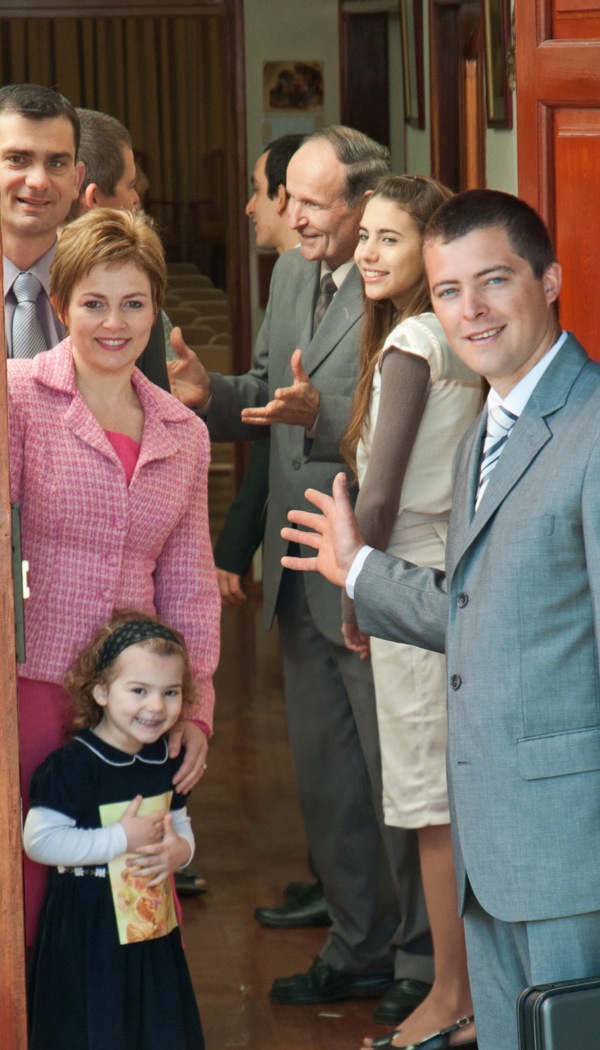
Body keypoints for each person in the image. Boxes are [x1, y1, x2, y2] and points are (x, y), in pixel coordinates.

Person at [280, 188, 600, 1050]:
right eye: (451, 289)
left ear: (549, 280)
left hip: (573, 859)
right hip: (488, 856)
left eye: (494, 281)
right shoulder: (484, 432)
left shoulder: (593, 428)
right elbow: (479, 613)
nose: (472, 310)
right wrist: (361, 571)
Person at [169, 126, 433, 1020]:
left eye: (313, 203)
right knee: (328, 782)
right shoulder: (289, 272)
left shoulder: (402, 282)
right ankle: (357, 944)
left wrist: (319, 416)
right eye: (290, 199)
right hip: (296, 563)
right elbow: (266, 391)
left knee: (395, 778)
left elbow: (402, 433)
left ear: (363, 206)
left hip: (371, 568)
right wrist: (212, 396)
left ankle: (421, 958)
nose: (294, 216)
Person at [8, 207, 220, 947]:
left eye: (134, 303)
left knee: (130, 895)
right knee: (30, 885)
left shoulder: (183, 432)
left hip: (135, 702)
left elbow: (190, 581)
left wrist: (195, 707)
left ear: (157, 309)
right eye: (94, 303)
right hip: (30, 682)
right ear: (60, 303)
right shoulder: (16, 397)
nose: (114, 323)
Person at [338, 175, 482, 1049]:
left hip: (406, 574)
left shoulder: (412, 343)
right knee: (453, 795)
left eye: (389, 238)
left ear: (430, 252)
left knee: (432, 805)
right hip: (454, 571)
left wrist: (359, 594)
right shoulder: (455, 337)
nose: (367, 253)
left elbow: (380, 495)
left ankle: (451, 995)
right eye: (365, 235)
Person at [24, 611, 205, 1050]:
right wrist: (120, 839)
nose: (156, 706)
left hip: (150, 932)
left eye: (170, 692)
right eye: (139, 690)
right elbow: (39, 841)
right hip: (87, 932)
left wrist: (179, 852)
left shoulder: (165, 760)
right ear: (102, 691)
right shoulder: (73, 765)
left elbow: (180, 825)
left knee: (152, 1027)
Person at [0, 83, 169, 390]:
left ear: (77, 180)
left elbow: (150, 410)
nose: (38, 180)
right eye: (18, 159)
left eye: (55, 163)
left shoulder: (127, 292)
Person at [214, 133, 304, 609]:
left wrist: (236, 542)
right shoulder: (286, 275)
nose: (249, 207)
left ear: (282, 195)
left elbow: (281, 422)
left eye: (256, 189)